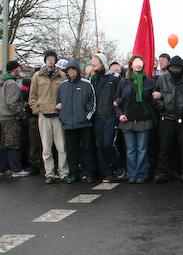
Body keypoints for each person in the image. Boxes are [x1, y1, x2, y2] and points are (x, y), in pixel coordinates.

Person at [29, 50, 70, 184]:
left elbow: (67, 94)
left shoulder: (62, 75)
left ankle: (63, 172)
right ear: (45, 60)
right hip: (43, 115)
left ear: (55, 60)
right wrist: (37, 109)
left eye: (52, 58)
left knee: (61, 147)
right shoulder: (37, 76)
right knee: (46, 148)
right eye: (48, 58)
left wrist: (63, 106)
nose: (50, 60)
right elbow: (32, 96)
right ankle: (49, 173)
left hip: (58, 115)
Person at [114, 55, 155, 184]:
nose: (138, 65)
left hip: (143, 119)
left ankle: (141, 174)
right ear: (131, 65)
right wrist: (120, 114)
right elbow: (116, 101)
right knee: (130, 149)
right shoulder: (123, 81)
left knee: (142, 149)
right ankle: (132, 174)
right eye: (135, 63)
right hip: (127, 120)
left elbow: (148, 98)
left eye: (140, 63)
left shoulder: (148, 81)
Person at [153, 56, 183, 183]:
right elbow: (155, 96)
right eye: (173, 68)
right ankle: (162, 172)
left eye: (178, 68)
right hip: (167, 118)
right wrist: (162, 106)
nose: (175, 70)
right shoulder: (162, 78)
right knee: (164, 147)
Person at [56, 60, 96, 183]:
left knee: (87, 149)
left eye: (73, 71)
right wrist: (63, 117)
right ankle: (74, 173)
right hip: (68, 124)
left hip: (84, 124)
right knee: (71, 150)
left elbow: (93, 103)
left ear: (78, 71)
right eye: (69, 71)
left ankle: (89, 173)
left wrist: (87, 117)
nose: (71, 74)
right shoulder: (62, 86)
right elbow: (58, 103)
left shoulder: (87, 84)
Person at [91, 53, 124, 182]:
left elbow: (121, 94)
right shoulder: (93, 78)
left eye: (95, 64)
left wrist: (118, 104)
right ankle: (107, 173)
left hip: (110, 115)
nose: (93, 66)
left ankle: (119, 165)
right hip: (97, 116)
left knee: (107, 144)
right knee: (99, 145)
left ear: (102, 63)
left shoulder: (115, 78)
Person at [0, 60, 30, 178]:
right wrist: (19, 112)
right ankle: (16, 170)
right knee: (13, 144)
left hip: (1, 117)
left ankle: (2, 168)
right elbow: (12, 102)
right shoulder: (11, 83)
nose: (20, 70)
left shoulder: (2, 82)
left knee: (2, 144)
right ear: (14, 69)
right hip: (10, 117)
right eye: (19, 68)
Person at [20, 77, 42, 175]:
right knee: (36, 142)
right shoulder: (31, 91)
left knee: (34, 142)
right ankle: (38, 164)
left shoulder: (24, 91)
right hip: (36, 117)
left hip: (33, 118)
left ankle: (35, 164)